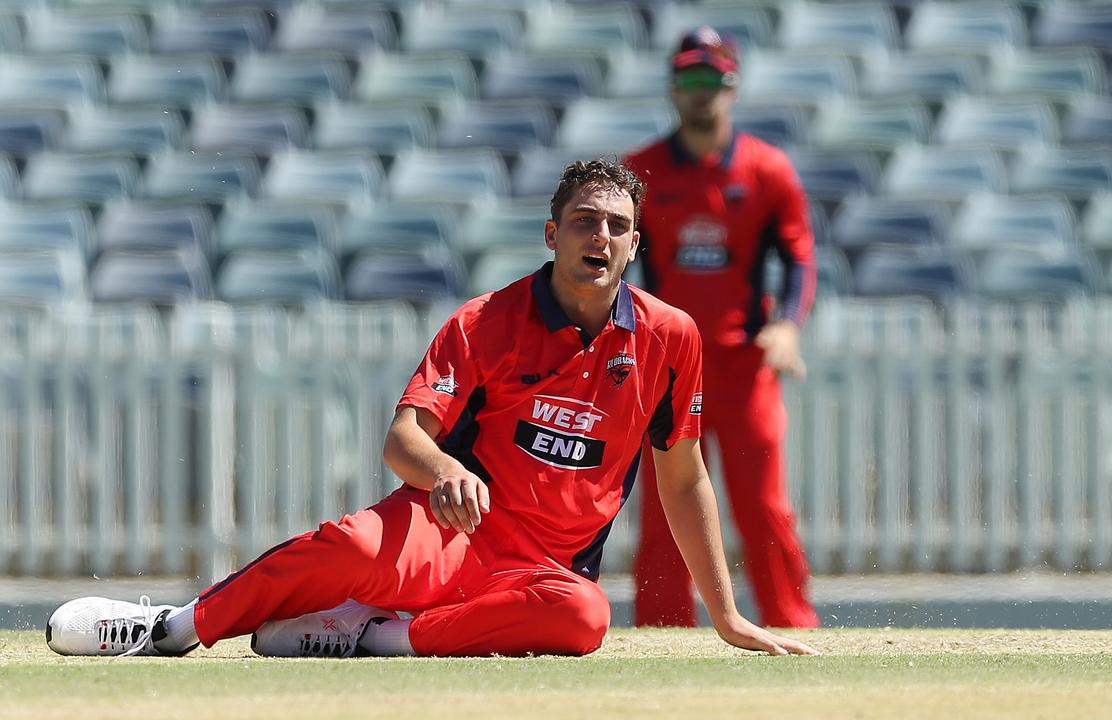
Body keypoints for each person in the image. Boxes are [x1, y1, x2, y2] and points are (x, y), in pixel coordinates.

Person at [45, 159, 816, 659]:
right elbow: (404, 437)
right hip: (450, 533)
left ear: (635, 246)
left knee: (584, 621)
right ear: (552, 234)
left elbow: (683, 481)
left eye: (617, 227)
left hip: (543, 573)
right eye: (584, 220)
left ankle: (380, 637)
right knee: (349, 547)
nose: (601, 236)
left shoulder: (669, 338)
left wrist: (727, 616)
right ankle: (169, 628)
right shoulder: (486, 321)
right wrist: (445, 469)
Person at [624, 27, 819, 629]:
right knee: (663, 510)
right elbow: (615, 265)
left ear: (732, 86)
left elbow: (801, 258)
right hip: (667, 370)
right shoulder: (642, 171)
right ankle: (661, 634)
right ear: (673, 88)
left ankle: (790, 625)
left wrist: (787, 326)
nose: (701, 92)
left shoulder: (766, 170)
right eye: (689, 80)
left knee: (762, 507)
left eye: (711, 80)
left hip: (742, 366)